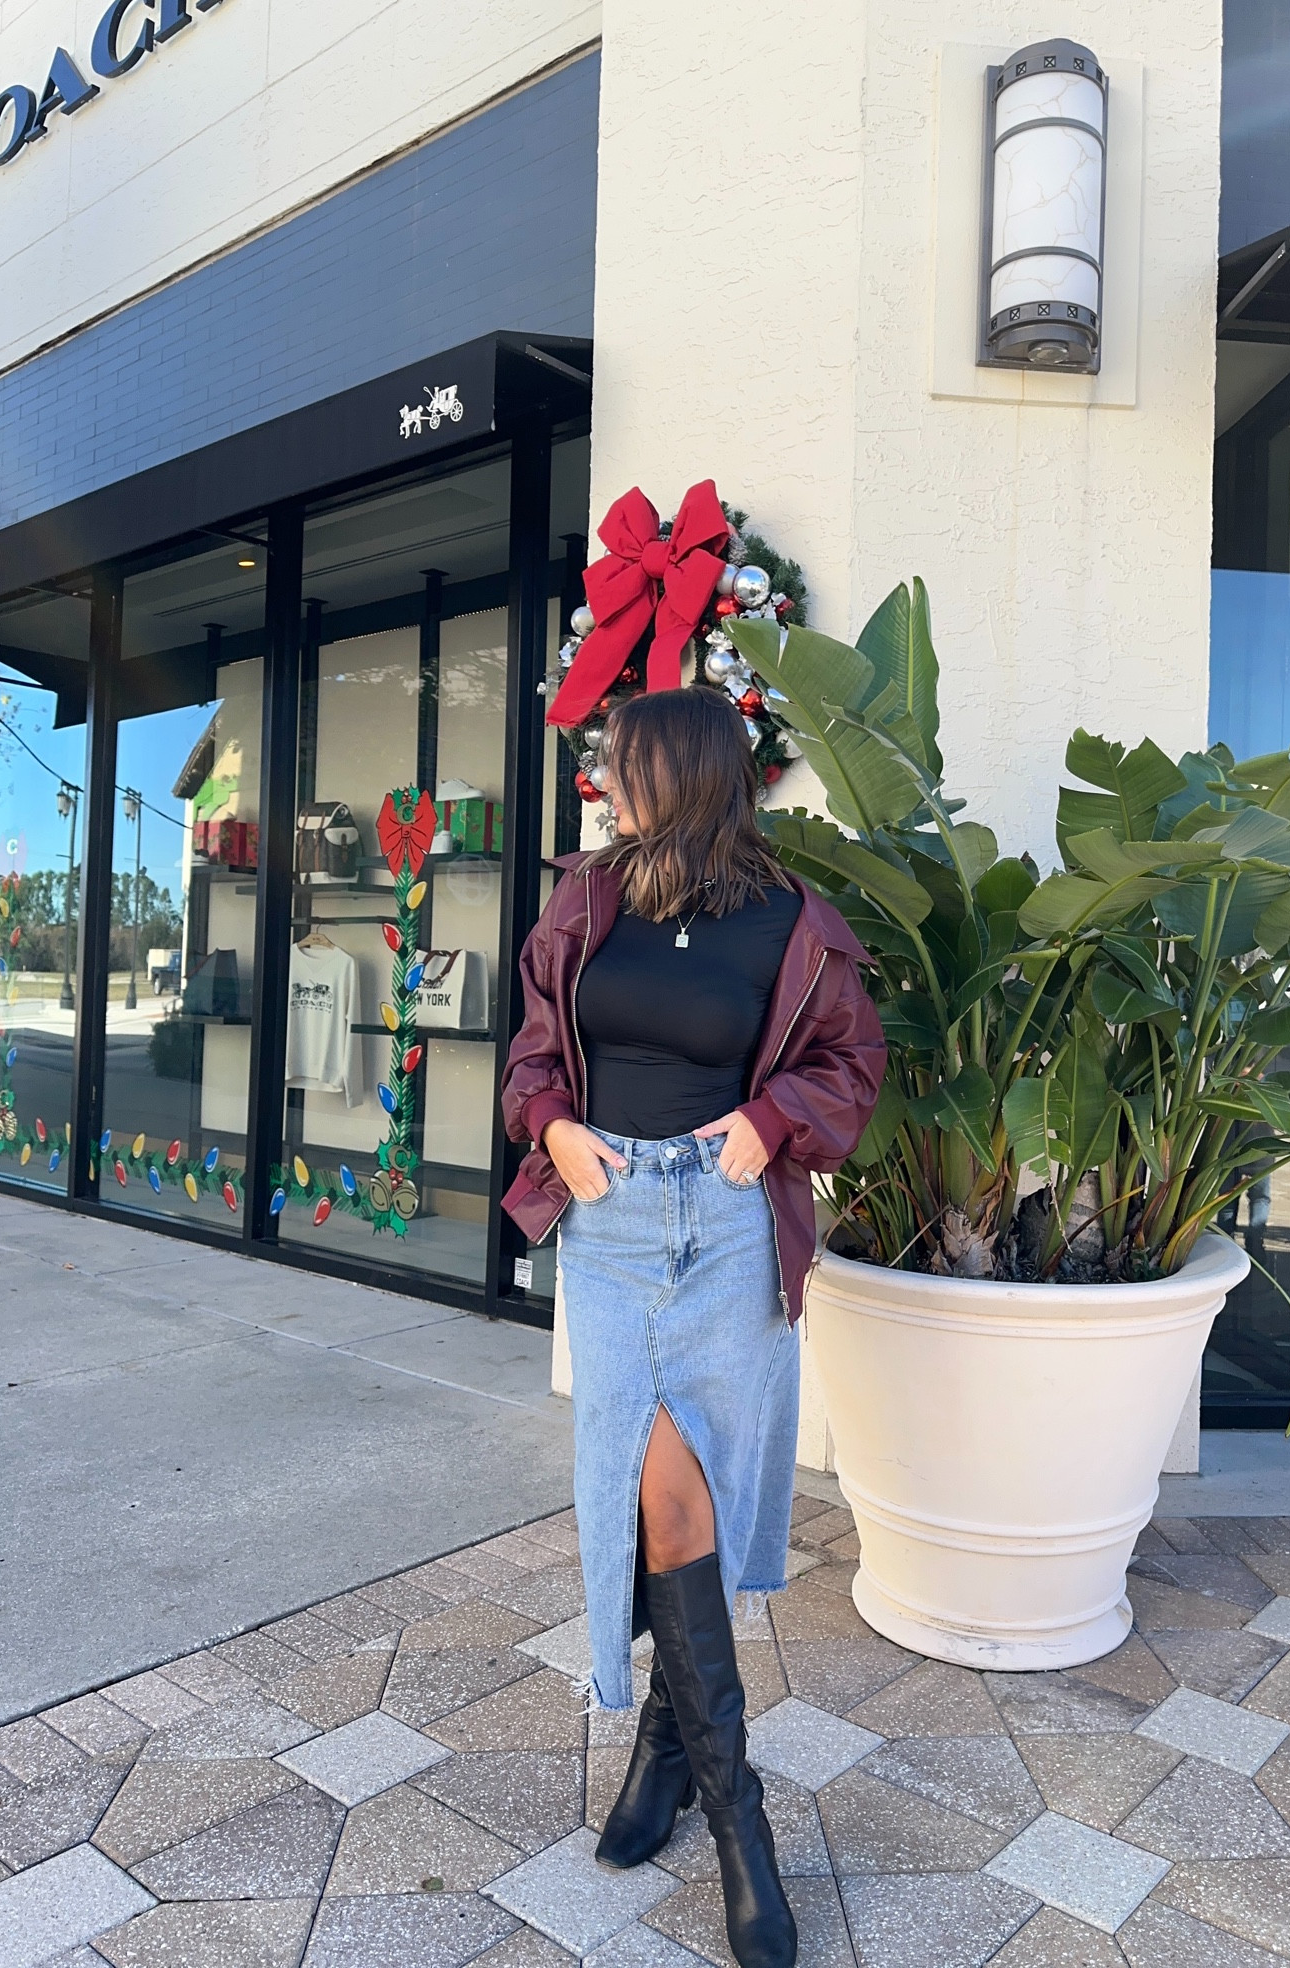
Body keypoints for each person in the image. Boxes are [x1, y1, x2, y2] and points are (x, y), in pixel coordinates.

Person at [502, 685, 884, 1968]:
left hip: (723, 1232)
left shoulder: (793, 922)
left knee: (689, 1502)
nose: (608, 782)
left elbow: (848, 1067)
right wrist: (552, 1125)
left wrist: (770, 1126)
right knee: (647, 1490)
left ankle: (718, 1804)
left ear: (688, 777)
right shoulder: (585, 903)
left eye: (627, 766)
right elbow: (533, 1055)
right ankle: (722, 1799)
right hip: (610, 1229)